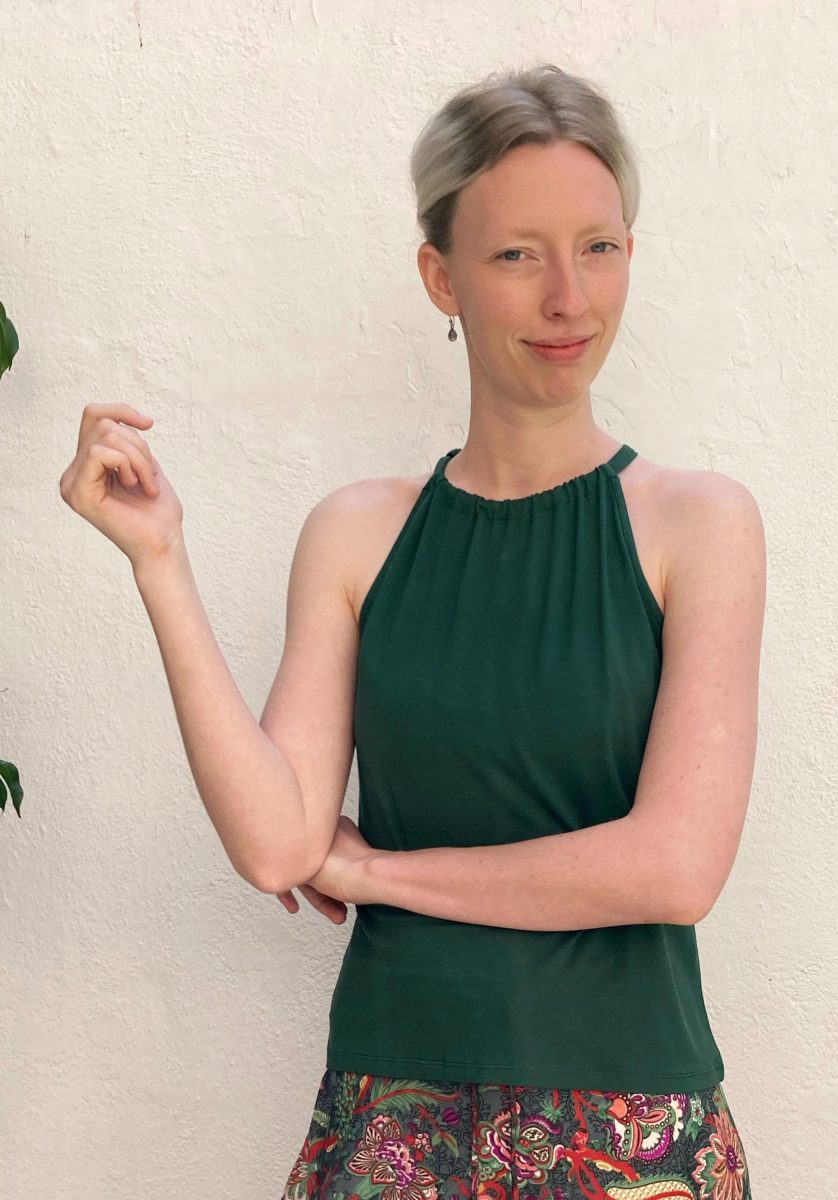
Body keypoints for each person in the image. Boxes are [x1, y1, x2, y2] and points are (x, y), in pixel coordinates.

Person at [59, 62, 765, 1200]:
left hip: (638, 1126)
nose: (569, 300)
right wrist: (161, 562)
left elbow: (677, 867)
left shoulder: (700, 524)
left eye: (598, 247)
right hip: (393, 1119)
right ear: (441, 277)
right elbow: (277, 845)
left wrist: (380, 872)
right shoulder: (358, 533)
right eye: (517, 255)